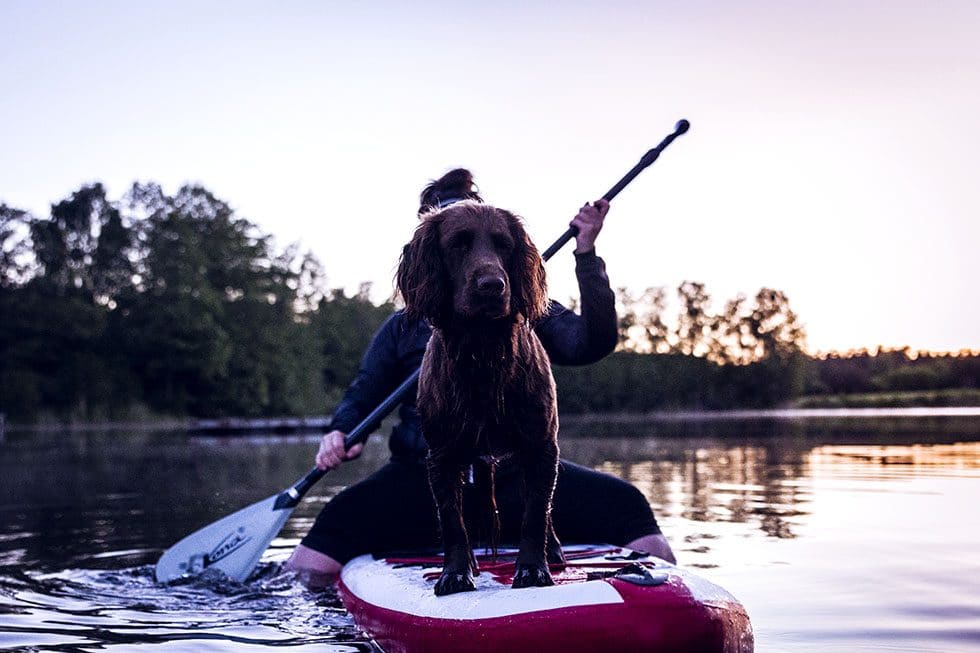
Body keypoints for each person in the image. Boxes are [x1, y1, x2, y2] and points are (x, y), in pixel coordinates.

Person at [285, 169, 675, 586]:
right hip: (423, 486)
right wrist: (342, 431)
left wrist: (586, 254)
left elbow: (591, 343)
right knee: (309, 565)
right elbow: (364, 394)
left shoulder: (526, 307)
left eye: (492, 244)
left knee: (637, 520)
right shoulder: (403, 327)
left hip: (518, 485)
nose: (482, 262)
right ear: (437, 254)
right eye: (461, 242)